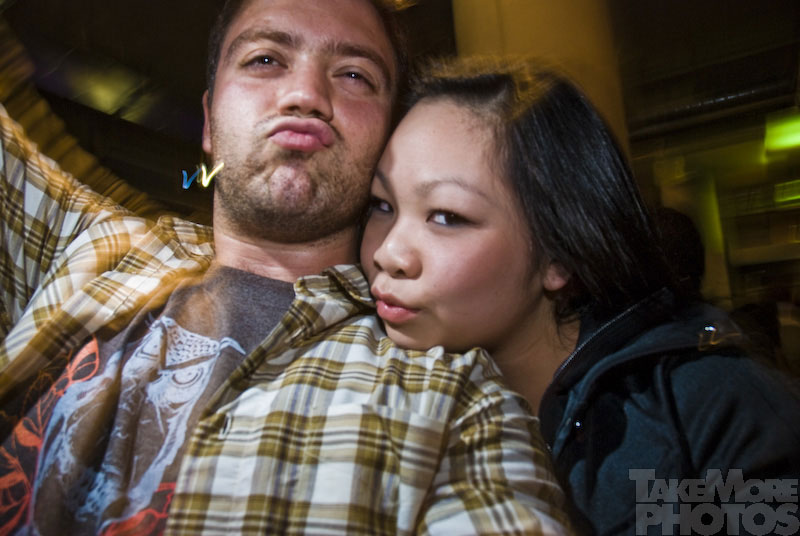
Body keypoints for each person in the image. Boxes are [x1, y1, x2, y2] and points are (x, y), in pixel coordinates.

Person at [0, 2, 572, 534]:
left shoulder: (449, 403)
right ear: (208, 121)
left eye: (354, 75)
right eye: (265, 60)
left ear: (389, 139)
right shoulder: (93, 246)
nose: (305, 94)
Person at [360, 56, 800, 535]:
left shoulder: (713, 406)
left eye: (447, 216)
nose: (388, 253)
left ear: (559, 257)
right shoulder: (362, 388)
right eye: (382, 205)